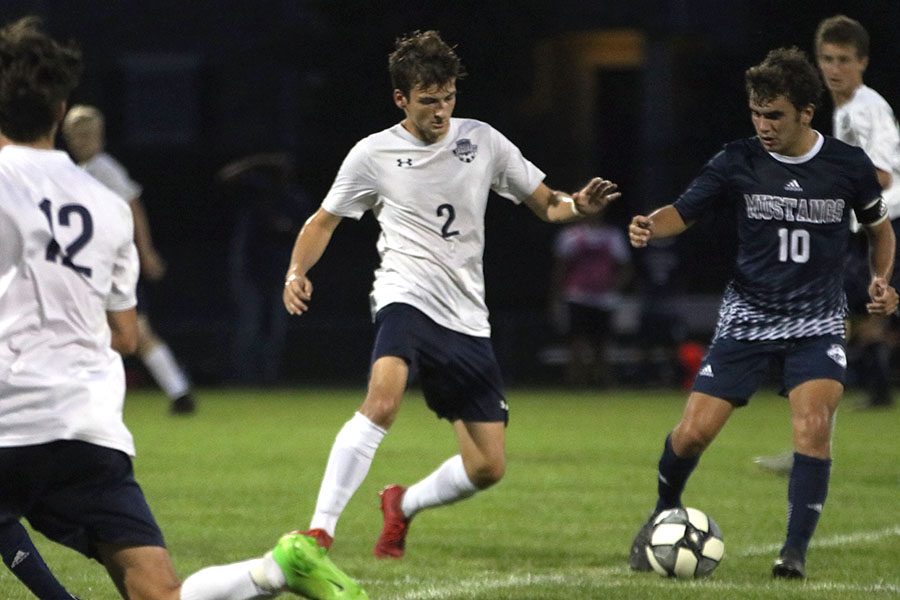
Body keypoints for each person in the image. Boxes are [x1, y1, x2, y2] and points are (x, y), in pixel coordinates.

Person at [0, 16, 366, 600]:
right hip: (87, 430)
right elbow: (125, 335)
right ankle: (273, 570)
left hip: (8, 423)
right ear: (61, 106)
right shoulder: (106, 202)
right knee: (160, 594)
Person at [282, 30, 621, 558]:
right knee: (383, 400)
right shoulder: (372, 154)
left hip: (466, 314)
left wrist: (578, 206)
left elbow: (548, 204)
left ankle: (403, 504)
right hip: (405, 294)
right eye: (427, 101)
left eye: (447, 98)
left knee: (488, 466)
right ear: (401, 99)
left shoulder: (482, 140)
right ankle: (319, 531)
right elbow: (323, 221)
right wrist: (296, 271)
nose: (440, 111)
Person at [625, 46, 898, 580]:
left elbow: (879, 230)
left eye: (774, 114)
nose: (763, 124)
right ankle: (662, 509)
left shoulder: (846, 166)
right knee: (691, 436)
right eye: (756, 113)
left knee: (812, 428)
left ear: (805, 113)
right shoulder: (737, 160)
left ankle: (793, 552)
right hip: (747, 318)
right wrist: (648, 225)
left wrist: (881, 278)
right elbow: (683, 211)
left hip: (817, 321)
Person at [754, 14, 900, 476]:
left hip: (885, 230)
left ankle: (809, 449)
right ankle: (810, 448)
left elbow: (882, 175)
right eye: (827, 60)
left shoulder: (865, 109)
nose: (834, 69)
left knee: (822, 331)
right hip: (864, 233)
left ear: (863, 63)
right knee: (831, 331)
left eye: (844, 61)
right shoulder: (841, 110)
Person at [61, 104, 196, 415]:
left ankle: (179, 392)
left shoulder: (103, 168)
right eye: (77, 134)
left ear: (100, 136)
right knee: (117, 331)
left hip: (108, 266)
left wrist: (145, 250)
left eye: (88, 133)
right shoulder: (81, 170)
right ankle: (177, 391)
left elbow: (132, 204)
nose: (82, 140)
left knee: (132, 330)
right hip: (91, 265)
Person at [217, 153, 313, 385]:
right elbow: (225, 176)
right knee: (248, 328)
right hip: (252, 272)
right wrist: (256, 162)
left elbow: (307, 234)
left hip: (284, 274)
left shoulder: (296, 199)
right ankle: (244, 380)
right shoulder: (257, 192)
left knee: (276, 332)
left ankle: (270, 380)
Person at [548, 214, 632, 387]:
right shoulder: (570, 236)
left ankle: (601, 383)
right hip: (577, 297)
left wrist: (613, 287)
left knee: (601, 345)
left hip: (604, 300)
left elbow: (625, 268)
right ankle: (575, 384)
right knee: (576, 344)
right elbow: (560, 269)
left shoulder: (612, 236)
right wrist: (555, 297)